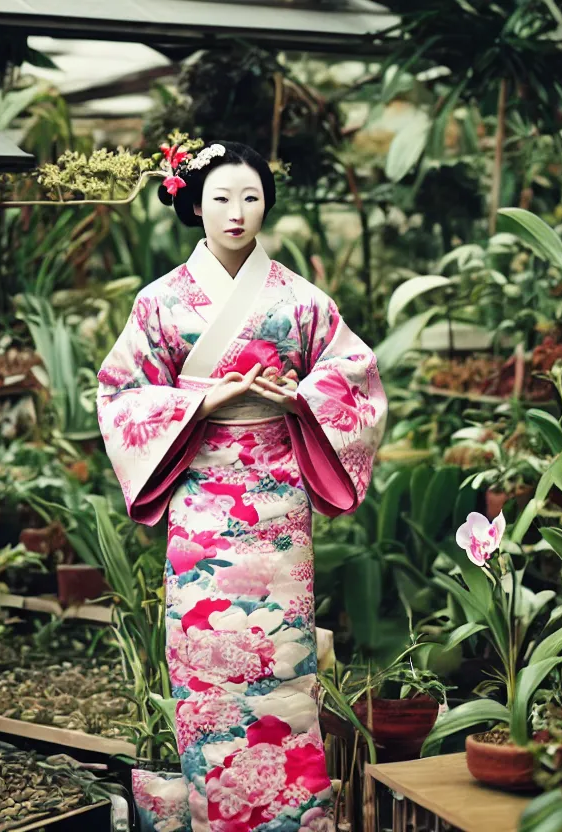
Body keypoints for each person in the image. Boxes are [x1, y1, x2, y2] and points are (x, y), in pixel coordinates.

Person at [96, 138, 387, 831]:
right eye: (220, 197)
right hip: (201, 500)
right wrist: (202, 402)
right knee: (207, 670)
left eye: (251, 197)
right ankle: (215, 811)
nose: (236, 212)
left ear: (266, 205)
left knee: (282, 664)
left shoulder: (300, 299)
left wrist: (297, 401)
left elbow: (355, 378)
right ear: (192, 202)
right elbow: (122, 393)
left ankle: (296, 817)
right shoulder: (160, 302)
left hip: (276, 502)